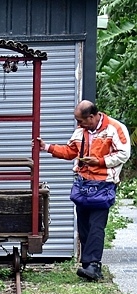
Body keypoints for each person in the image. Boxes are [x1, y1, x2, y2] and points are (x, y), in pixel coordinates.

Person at [37, 100, 131, 281]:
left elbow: (123, 154)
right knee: (84, 225)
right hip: (83, 184)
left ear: (92, 116)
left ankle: (93, 265)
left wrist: (100, 161)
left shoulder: (115, 128)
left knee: (97, 225)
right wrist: (47, 147)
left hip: (104, 184)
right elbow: (70, 151)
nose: (78, 124)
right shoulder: (81, 131)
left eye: (81, 121)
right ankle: (89, 265)